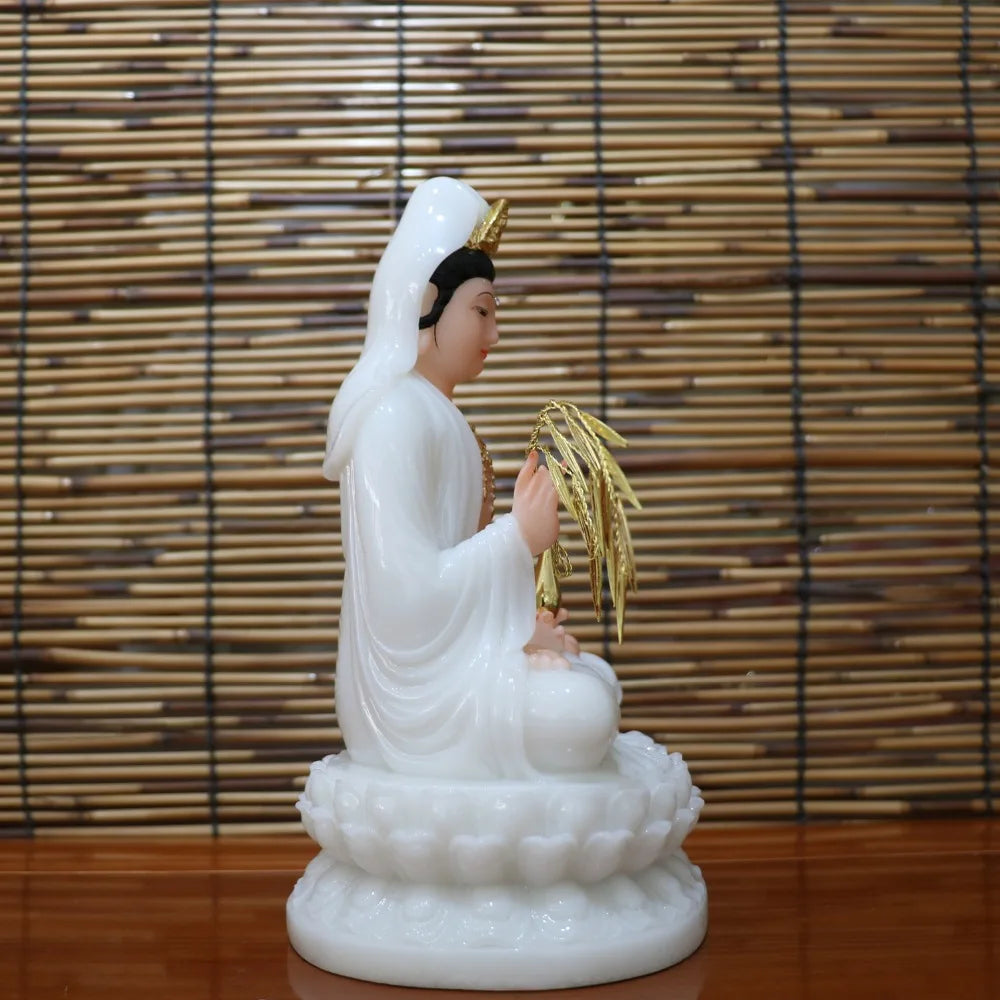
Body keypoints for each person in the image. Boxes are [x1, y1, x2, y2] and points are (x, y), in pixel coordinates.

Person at [323, 177, 621, 779]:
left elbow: (453, 572)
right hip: (410, 699)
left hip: (450, 664)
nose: (494, 334)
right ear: (426, 301)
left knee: (594, 680)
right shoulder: (393, 417)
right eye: (481, 311)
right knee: (580, 713)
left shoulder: (439, 416)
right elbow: (404, 600)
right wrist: (516, 536)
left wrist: (519, 629)